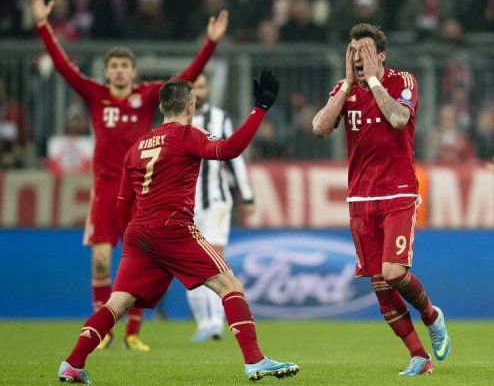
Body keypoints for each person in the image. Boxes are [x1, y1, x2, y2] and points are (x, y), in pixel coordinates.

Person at [57, 71, 300, 384]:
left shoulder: (138, 146)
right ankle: (255, 361)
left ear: (160, 108)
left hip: (138, 233)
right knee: (230, 286)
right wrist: (259, 110)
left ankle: (73, 363)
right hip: (173, 227)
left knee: (117, 302)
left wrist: (132, 241)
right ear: (191, 106)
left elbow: (122, 202)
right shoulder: (188, 135)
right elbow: (229, 150)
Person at [31, 0, 228, 351]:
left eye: (125, 66)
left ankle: (132, 333)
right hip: (106, 187)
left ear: (133, 72)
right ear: (106, 72)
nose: (119, 71)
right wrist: (43, 24)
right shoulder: (95, 94)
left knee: (138, 263)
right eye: (114, 66)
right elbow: (62, 67)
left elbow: (183, 80)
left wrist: (210, 44)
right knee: (104, 261)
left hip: (145, 191)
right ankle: (104, 333)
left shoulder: (146, 96)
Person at [312, 23, 451, 376]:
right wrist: (346, 86)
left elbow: (398, 118)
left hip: (399, 191)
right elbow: (319, 127)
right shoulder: (345, 91)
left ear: (381, 56)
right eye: (353, 51)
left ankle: (432, 316)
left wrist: (373, 81)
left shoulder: (403, 81)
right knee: (379, 285)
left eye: (366, 52)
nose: (359, 58)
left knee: (393, 273)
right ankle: (419, 357)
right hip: (360, 198)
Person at [187, 73, 255, 342]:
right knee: (191, 265)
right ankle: (204, 322)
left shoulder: (219, 117)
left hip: (215, 201)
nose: (199, 92)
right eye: (194, 87)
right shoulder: (175, 123)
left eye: (202, 86)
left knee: (213, 261)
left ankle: (215, 321)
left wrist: (246, 195)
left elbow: (235, 158)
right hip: (185, 205)